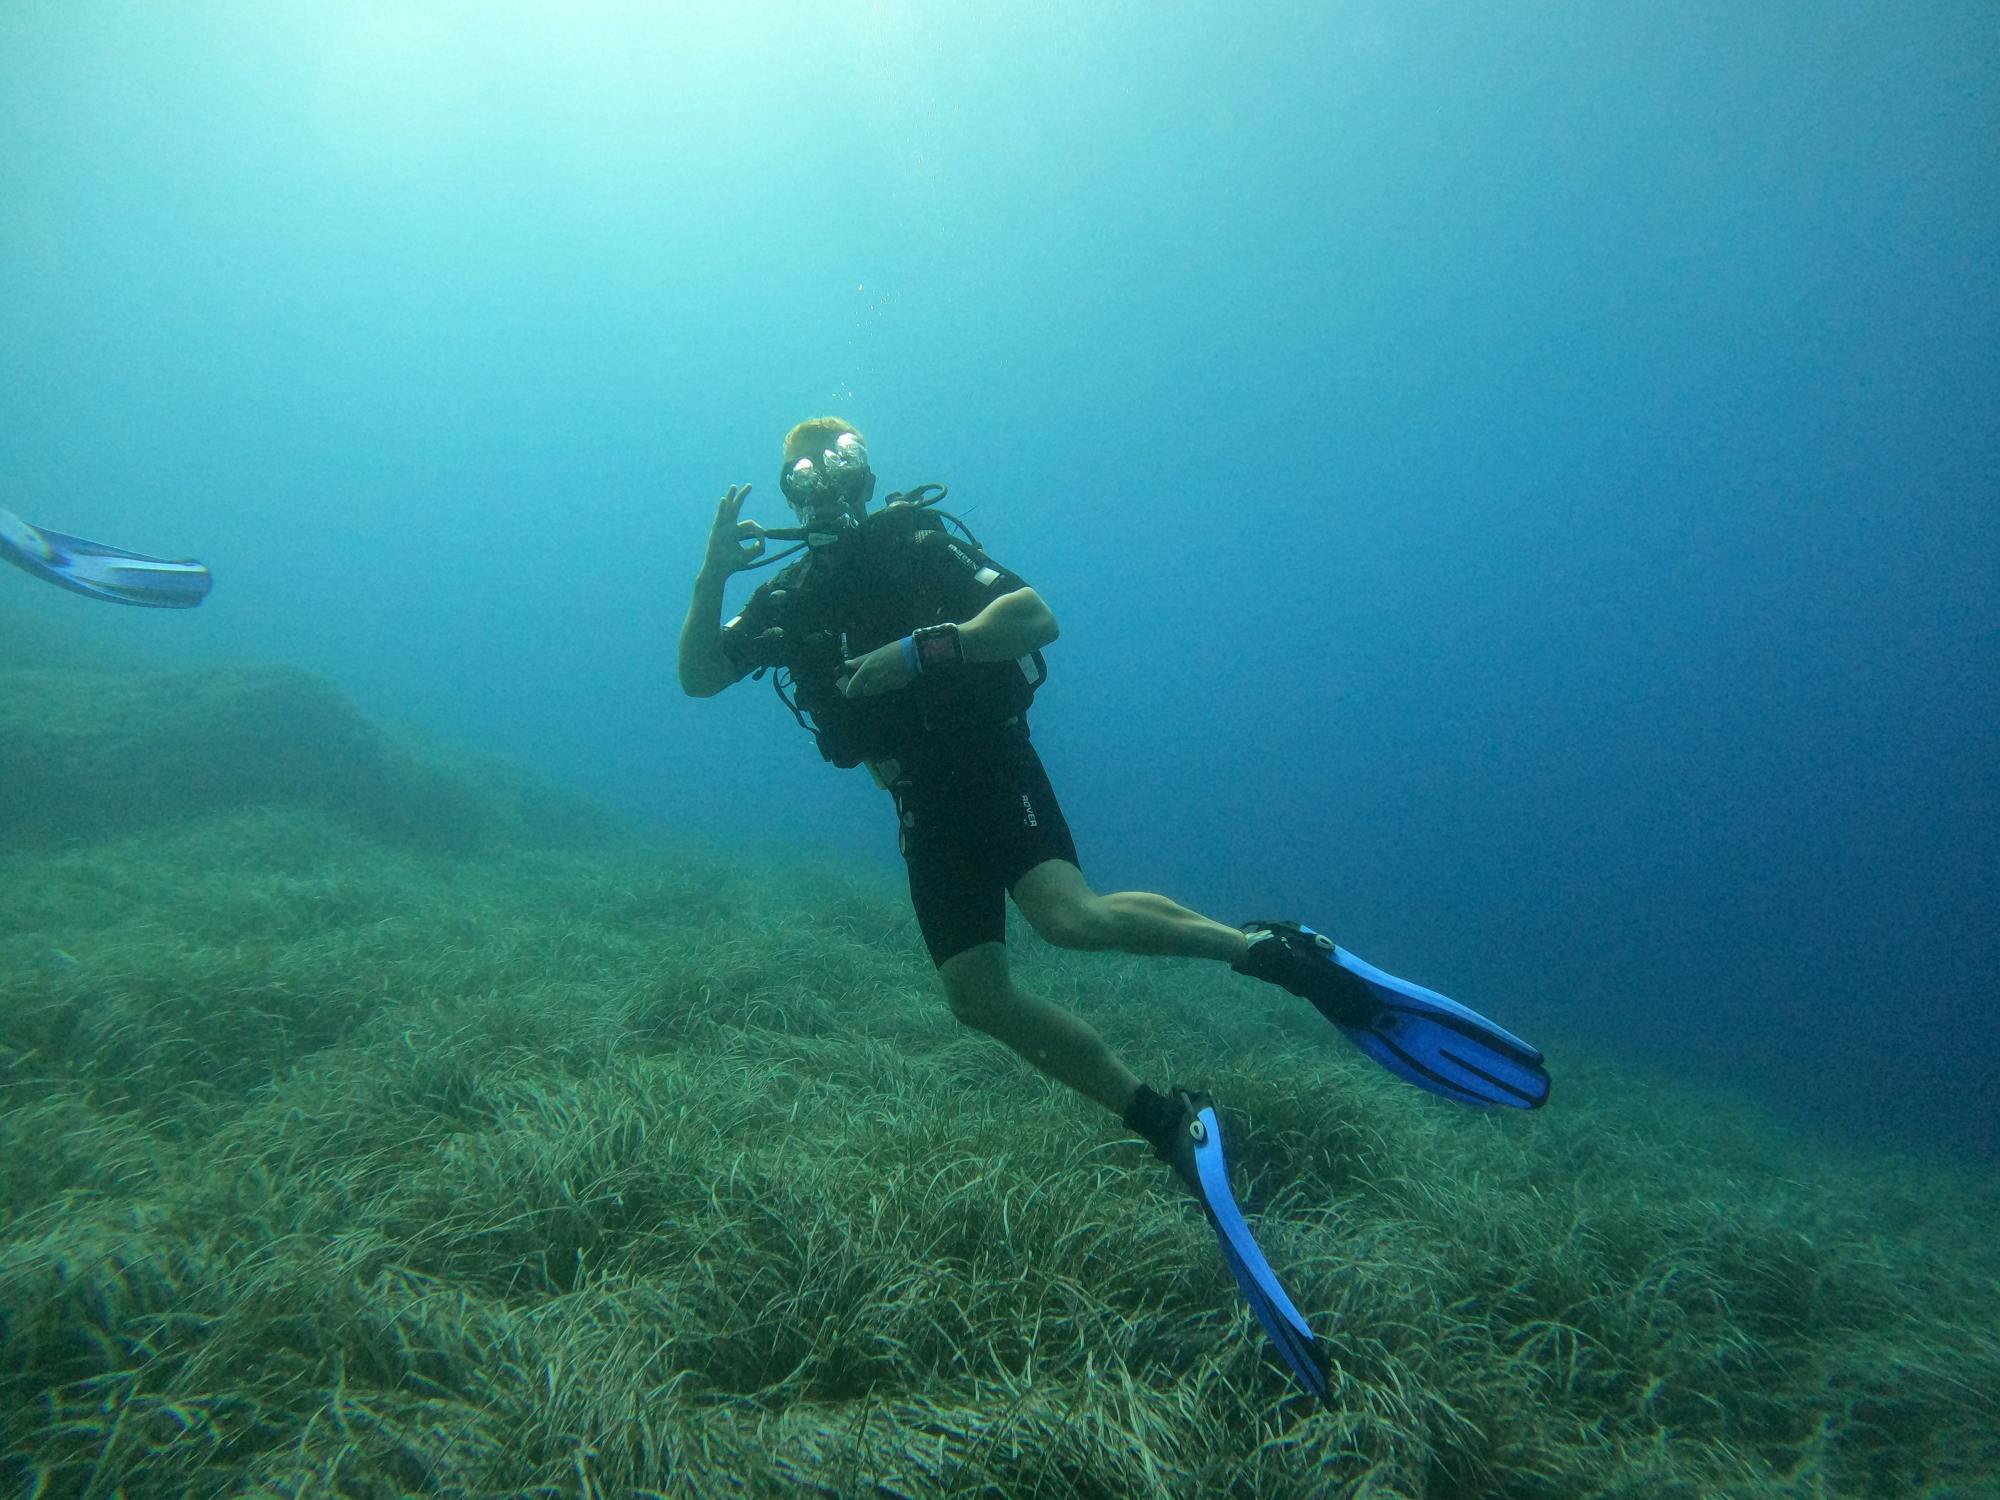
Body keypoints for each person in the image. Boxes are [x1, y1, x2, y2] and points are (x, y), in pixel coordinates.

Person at [678, 418, 1548, 1394]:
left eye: (839, 463)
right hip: (921, 805)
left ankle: (1276, 954)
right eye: (804, 473)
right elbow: (699, 676)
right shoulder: (789, 596)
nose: (825, 486)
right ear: (789, 494)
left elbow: (1033, 618)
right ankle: (1165, 1121)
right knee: (976, 996)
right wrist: (712, 577)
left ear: (865, 473)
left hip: (988, 766)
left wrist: (920, 653)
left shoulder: (916, 546)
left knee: (1071, 919)